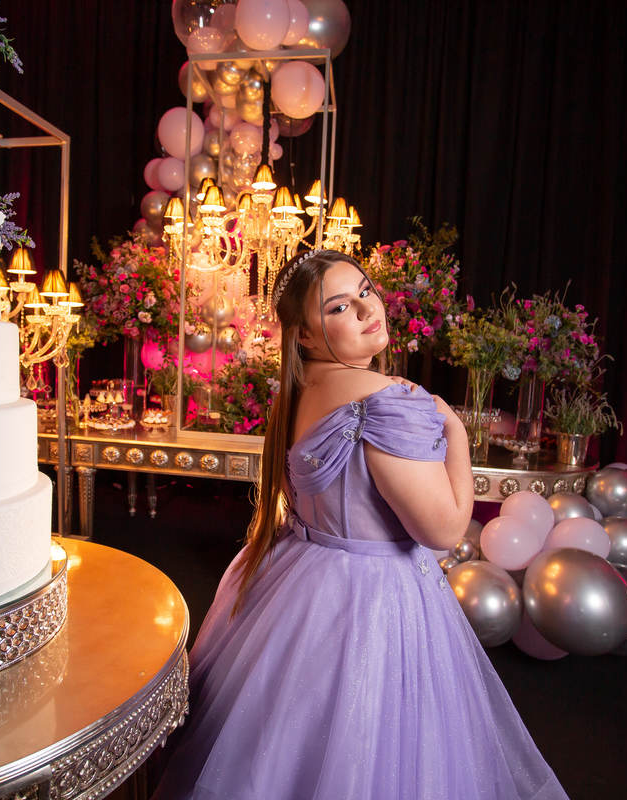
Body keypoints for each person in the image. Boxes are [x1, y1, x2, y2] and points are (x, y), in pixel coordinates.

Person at [152, 249, 567, 800]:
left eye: (365, 291)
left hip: (297, 576)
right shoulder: (387, 402)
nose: (369, 309)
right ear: (304, 335)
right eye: (340, 307)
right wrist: (458, 436)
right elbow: (445, 532)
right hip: (372, 597)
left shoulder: (300, 390)